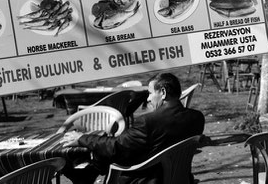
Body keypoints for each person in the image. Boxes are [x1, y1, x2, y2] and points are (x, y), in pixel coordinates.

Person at [61, 73, 205, 184]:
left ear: (163, 92)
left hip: (148, 179)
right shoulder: (197, 118)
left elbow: (115, 147)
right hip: (180, 178)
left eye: (150, 93)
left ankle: (87, 175)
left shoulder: (148, 121)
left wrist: (82, 138)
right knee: (118, 147)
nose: (148, 99)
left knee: (111, 149)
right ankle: (88, 174)